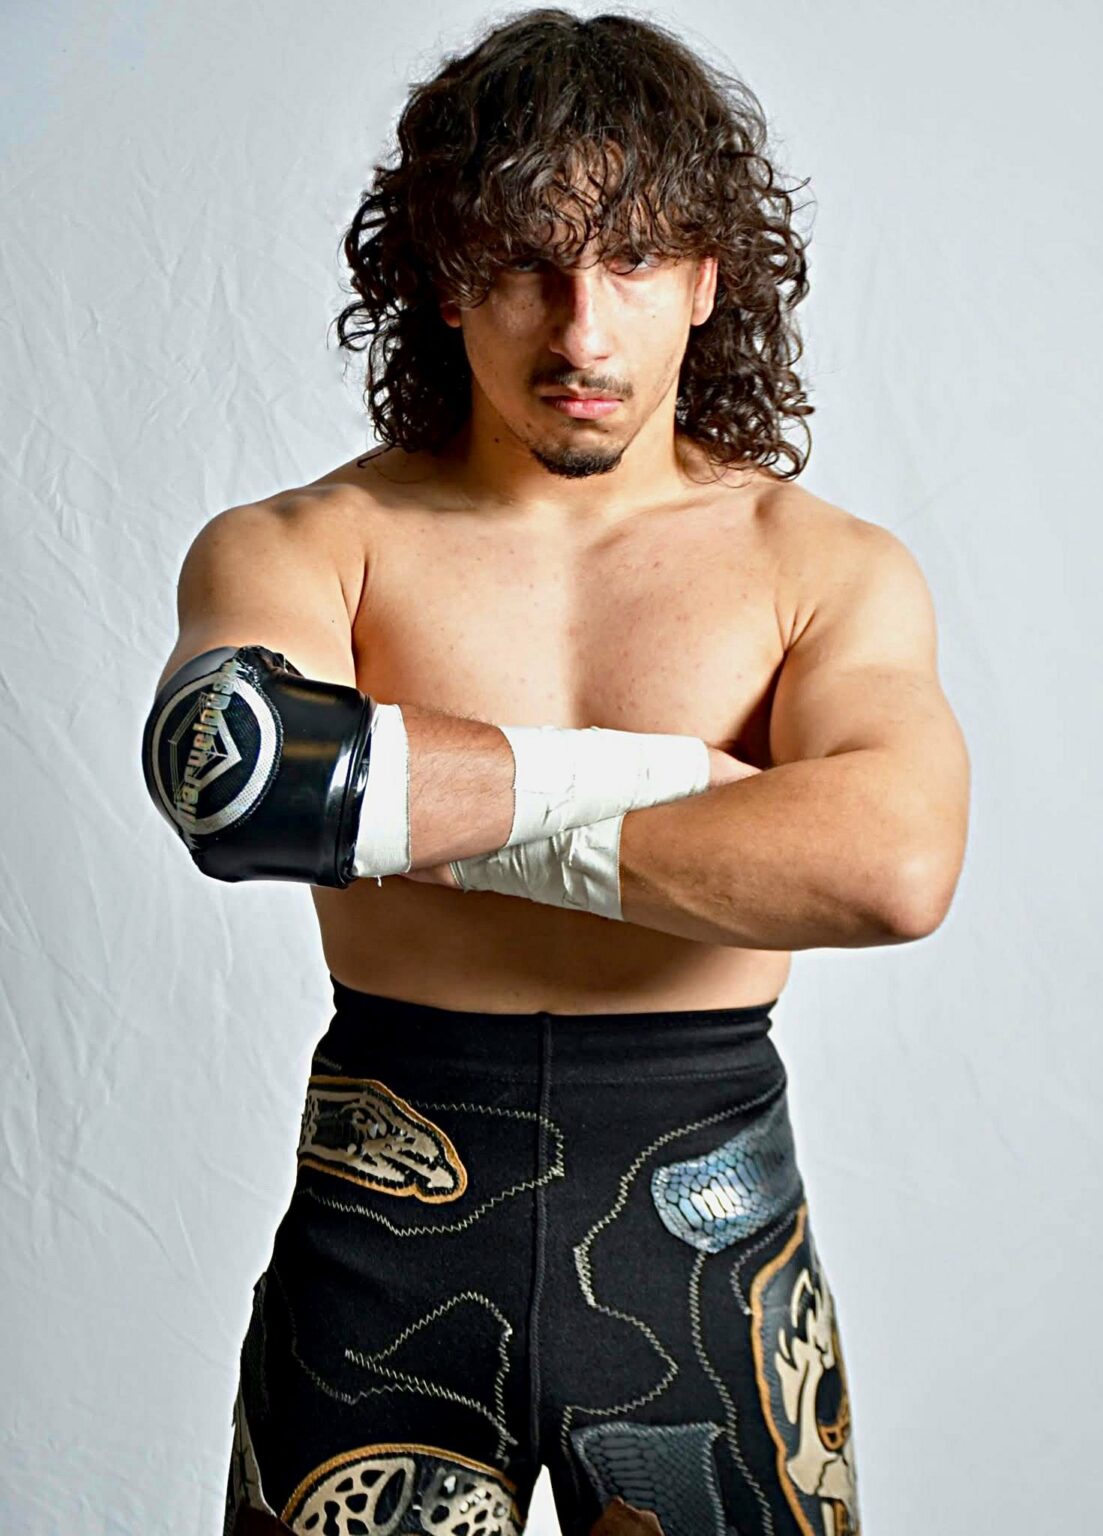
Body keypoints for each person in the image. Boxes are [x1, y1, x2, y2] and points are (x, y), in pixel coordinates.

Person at [140, 10, 970, 1536]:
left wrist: (399, 801)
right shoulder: (312, 545)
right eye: (527, 261)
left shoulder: (819, 568)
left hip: (709, 1256)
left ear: (710, 278)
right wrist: (709, 790)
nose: (582, 331)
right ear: (446, 278)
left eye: (635, 259)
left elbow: (894, 864)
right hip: (379, 1254)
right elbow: (243, 776)